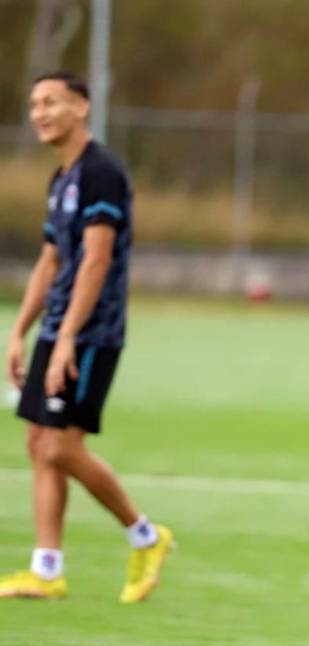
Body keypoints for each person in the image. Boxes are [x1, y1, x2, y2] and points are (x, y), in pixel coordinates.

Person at [1, 71, 174, 603]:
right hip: (60, 326)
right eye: (34, 104)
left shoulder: (102, 173)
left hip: (93, 332)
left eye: (51, 102)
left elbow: (97, 259)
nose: (40, 113)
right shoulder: (63, 179)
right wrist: (20, 331)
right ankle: (47, 568)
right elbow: (52, 260)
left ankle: (145, 535)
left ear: (82, 107)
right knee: (38, 442)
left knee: (59, 445)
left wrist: (71, 337)